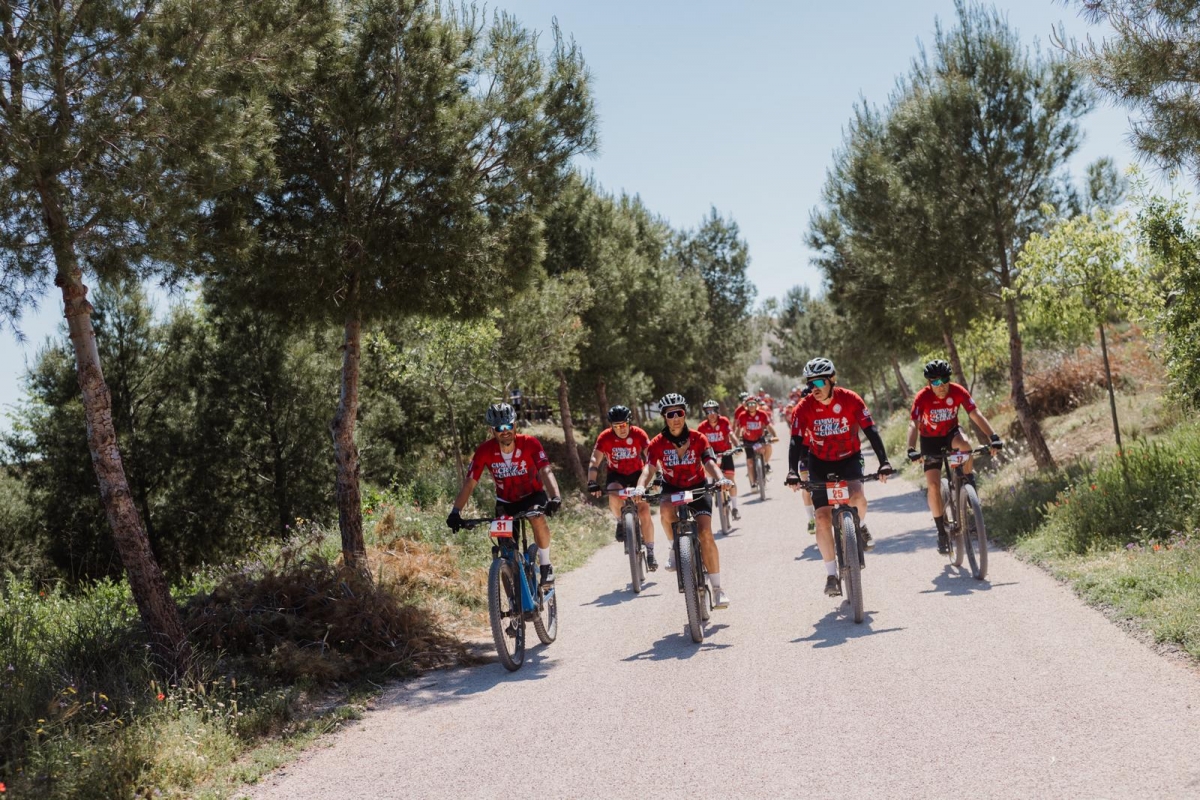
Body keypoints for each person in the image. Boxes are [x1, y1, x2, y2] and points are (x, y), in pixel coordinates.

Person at [785, 357, 894, 597]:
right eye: (810, 382)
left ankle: (861, 526)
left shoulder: (851, 399)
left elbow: (871, 430)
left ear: (832, 380)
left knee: (857, 497)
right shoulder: (803, 407)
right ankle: (832, 574)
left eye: (820, 381)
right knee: (822, 518)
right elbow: (795, 440)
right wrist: (792, 470)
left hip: (849, 458)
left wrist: (884, 461)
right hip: (819, 462)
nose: (815, 387)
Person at [447, 403, 563, 585]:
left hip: (533, 495)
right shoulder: (485, 451)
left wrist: (555, 496)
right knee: (505, 550)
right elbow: (469, 483)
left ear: (515, 425)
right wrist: (455, 512)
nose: (505, 431)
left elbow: (546, 471)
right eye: (500, 428)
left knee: (537, 516)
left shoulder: (530, 443)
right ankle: (513, 598)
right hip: (506, 502)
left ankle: (546, 565)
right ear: (492, 430)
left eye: (509, 426)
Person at [636, 393, 733, 608]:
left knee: (706, 533)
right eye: (671, 414)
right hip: (672, 488)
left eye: (679, 412)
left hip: (698, 486)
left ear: (685, 413)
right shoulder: (657, 443)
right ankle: (674, 547)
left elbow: (709, 462)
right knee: (664, 511)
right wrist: (641, 486)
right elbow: (649, 468)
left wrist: (721, 478)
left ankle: (718, 589)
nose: (676, 417)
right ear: (664, 417)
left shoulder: (699, 438)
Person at [905, 359, 1004, 554]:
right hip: (929, 440)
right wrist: (911, 448)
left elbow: (975, 414)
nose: (940, 386)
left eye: (944, 381)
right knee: (933, 485)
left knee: (966, 445)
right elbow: (913, 424)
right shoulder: (922, 397)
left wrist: (993, 436)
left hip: (951, 433)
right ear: (929, 384)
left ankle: (967, 484)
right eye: (935, 383)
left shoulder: (958, 391)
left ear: (949, 380)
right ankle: (941, 531)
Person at [587, 405, 658, 570]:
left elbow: (651, 456)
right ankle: (620, 521)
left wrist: (658, 476)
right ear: (611, 426)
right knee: (613, 493)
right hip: (616, 474)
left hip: (637, 474)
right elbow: (594, 461)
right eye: (617, 426)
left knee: (644, 511)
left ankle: (650, 551)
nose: (621, 429)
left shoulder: (639, 434)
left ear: (629, 423)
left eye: (624, 425)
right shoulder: (604, 438)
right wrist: (592, 481)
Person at [697, 399, 742, 521]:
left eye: (713, 411)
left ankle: (734, 508)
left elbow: (731, 434)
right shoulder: (702, 427)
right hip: (711, 456)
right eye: (708, 411)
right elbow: (697, 442)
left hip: (725, 453)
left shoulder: (724, 421)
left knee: (730, 479)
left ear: (717, 411)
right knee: (709, 478)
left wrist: (737, 445)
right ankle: (714, 500)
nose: (711, 414)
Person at [786, 384, 818, 533]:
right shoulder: (798, 411)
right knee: (806, 485)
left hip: (821, 449)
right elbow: (795, 437)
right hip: (805, 451)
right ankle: (811, 519)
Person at [736, 396, 777, 489]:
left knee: (768, 446)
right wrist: (737, 441)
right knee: (750, 462)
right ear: (746, 405)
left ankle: (765, 463)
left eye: (753, 404)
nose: (751, 406)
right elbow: (738, 429)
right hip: (748, 441)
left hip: (759, 439)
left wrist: (775, 435)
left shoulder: (762, 414)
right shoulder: (742, 415)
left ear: (757, 405)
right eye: (749, 404)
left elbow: (769, 426)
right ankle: (753, 483)